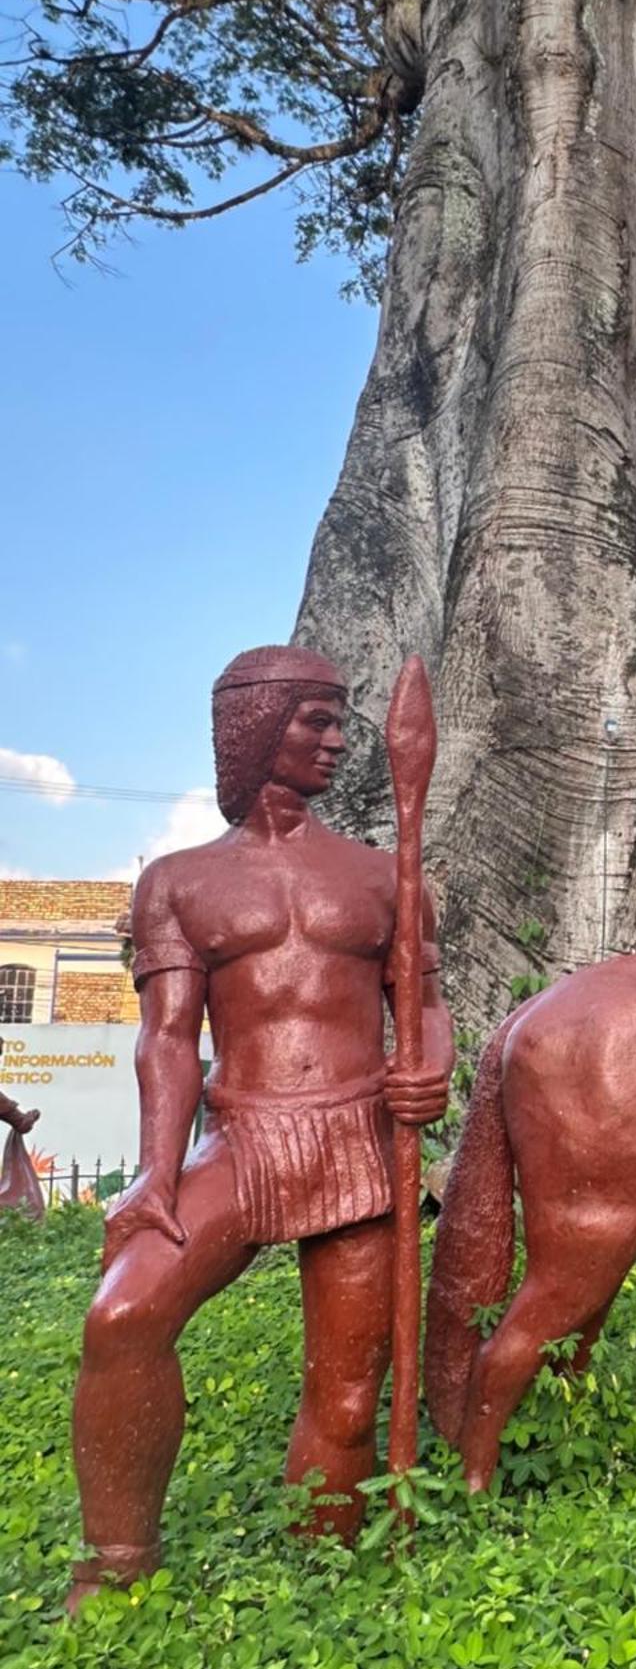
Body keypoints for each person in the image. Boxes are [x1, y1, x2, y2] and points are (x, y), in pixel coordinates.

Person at [68, 646, 454, 1610]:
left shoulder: (385, 877)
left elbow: (427, 1003)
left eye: (340, 720)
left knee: (348, 1393)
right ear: (254, 725)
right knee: (123, 1316)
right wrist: (157, 1173)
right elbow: (166, 1040)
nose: (335, 739)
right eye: (313, 719)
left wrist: (432, 1065)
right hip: (241, 1139)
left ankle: (325, 1570)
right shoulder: (180, 882)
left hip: (360, 1142)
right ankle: (117, 1565)